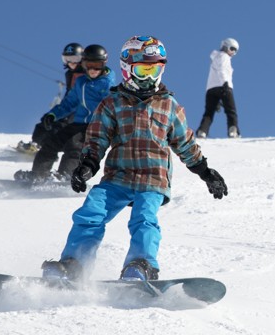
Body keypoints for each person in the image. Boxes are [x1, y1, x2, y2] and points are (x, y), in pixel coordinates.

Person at [42, 35, 229, 282]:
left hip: (152, 179)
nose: (149, 76)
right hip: (117, 177)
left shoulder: (169, 106)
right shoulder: (112, 102)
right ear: (128, 69)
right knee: (90, 213)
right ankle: (74, 264)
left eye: (155, 69)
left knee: (144, 220)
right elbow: (97, 139)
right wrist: (87, 165)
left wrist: (206, 172)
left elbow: (186, 144)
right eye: (143, 69)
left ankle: (141, 266)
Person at [16, 44, 116, 184]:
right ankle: (38, 175)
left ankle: (65, 176)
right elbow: (69, 103)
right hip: (78, 122)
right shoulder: (81, 82)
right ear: (84, 64)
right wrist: (53, 115)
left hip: (95, 126)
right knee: (52, 142)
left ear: (103, 64)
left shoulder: (107, 84)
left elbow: (115, 107)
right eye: (89, 65)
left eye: (97, 65)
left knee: (75, 145)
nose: (93, 70)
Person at [197, 37, 240, 139]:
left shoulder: (215, 58)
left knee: (209, 112)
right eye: (232, 49)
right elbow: (222, 70)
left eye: (235, 51)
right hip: (224, 87)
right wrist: (225, 83)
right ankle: (233, 130)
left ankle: (202, 131)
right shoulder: (224, 57)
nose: (233, 52)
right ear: (225, 46)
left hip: (211, 89)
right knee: (231, 111)